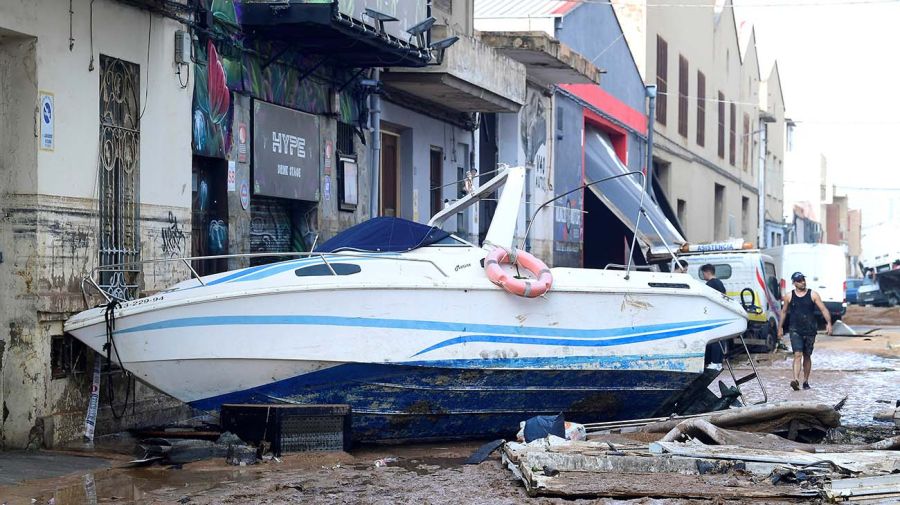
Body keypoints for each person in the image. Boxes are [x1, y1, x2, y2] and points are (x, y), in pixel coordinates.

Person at [777, 271, 832, 391]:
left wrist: (828, 323)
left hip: (810, 329)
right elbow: (784, 312)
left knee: (807, 355)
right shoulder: (789, 296)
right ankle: (796, 380)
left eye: (803, 280)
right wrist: (780, 327)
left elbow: (823, 309)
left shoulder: (813, 294)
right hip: (795, 329)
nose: (803, 282)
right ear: (794, 283)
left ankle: (805, 381)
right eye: (800, 280)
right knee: (797, 354)